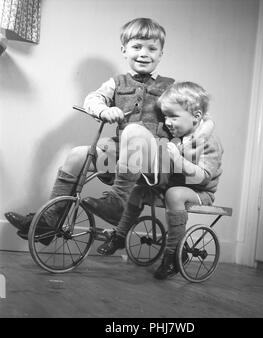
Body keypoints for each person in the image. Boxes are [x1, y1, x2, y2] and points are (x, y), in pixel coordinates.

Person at [5, 18, 214, 251]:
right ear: (124, 50)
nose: (144, 54)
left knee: (135, 130)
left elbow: (202, 118)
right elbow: (92, 99)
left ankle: (117, 203)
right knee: (76, 154)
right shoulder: (116, 83)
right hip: (121, 160)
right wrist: (104, 109)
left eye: (152, 49)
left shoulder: (171, 87)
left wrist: (193, 143)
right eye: (137, 47)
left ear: (161, 54)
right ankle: (49, 222)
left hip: (157, 162)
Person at [98, 82, 223, 280]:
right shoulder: (177, 138)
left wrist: (178, 160)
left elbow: (203, 177)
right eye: (165, 117)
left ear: (196, 117)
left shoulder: (207, 142)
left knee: (175, 194)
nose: (168, 122)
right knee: (139, 190)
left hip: (200, 192)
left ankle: (173, 254)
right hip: (172, 186)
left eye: (174, 116)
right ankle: (120, 235)